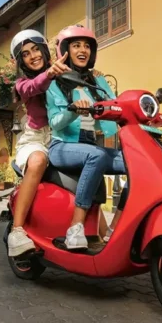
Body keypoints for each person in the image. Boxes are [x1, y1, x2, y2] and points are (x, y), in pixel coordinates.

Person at [45, 25, 128, 249]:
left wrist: (147, 115)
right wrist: (73, 110)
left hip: (91, 145)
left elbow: (117, 105)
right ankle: (75, 227)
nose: (83, 50)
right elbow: (54, 123)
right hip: (63, 147)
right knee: (97, 155)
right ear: (65, 50)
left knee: (138, 163)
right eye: (76, 45)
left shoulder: (99, 82)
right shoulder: (54, 84)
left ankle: (115, 230)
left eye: (87, 46)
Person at [6, 29, 71, 257]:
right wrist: (51, 73)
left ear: (44, 50)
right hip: (35, 140)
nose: (33, 56)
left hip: (61, 137)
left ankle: (99, 236)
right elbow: (35, 87)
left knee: (86, 173)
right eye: (25, 54)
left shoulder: (64, 74)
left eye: (35, 49)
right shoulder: (22, 84)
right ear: (21, 61)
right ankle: (17, 231)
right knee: (37, 160)